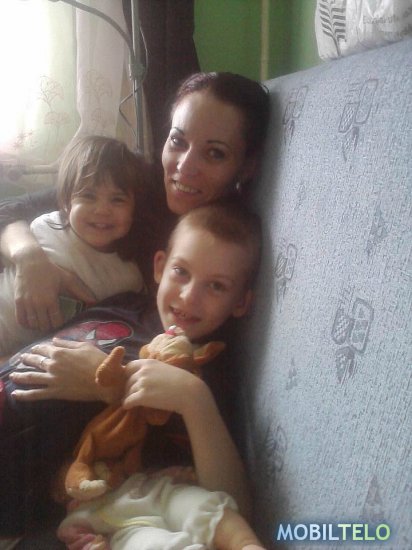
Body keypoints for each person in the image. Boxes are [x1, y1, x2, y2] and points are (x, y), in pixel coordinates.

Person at [0, 72, 270, 537]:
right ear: (161, 265)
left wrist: (113, 383)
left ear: (246, 167)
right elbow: (16, 210)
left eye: (214, 153)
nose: (184, 168)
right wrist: (29, 257)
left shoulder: (227, 277)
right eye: (177, 142)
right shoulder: (134, 189)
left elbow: (224, 497)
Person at [1, 200, 264, 549]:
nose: (189, 296)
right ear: (160, 266)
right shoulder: (124, 302)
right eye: (181, 272)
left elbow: (231, 507)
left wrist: (193, 398)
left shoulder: (204, 375)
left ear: (241, 302)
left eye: (216, 286)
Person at [0, 135, 150, 355]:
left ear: (133, 210)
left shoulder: (129, 279)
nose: (102, 210)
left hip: (32, 358)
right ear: (65, 203)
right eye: (88, 196)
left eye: (117, 199)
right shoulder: (43, 227)